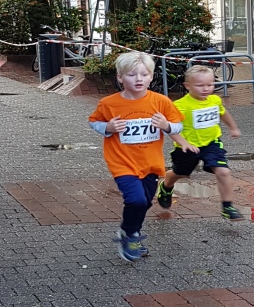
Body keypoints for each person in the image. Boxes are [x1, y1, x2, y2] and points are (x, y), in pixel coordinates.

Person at [88, 51, 195, 262]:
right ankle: (130, 235)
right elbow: (94, 122)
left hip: (151, 164)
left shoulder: (160, 101)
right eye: (131, 75)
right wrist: (108, 127)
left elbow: (178, 124)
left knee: (144, 202)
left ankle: (130, 231)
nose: (138, 79)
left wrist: (166, 126)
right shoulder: (109, 103)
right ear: (120, 77)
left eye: (144, 74)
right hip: (122, 163)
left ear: (151, 76)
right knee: (135, 200)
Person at [157, 65, 244, 221]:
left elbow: (223, 113)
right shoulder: (181, 105)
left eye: (209, 85)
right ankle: (166, 186)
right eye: (200, 85)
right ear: (187, 86)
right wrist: (183, 142)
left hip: (212, 143)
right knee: (180, 173)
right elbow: (171, 128)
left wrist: (233, 127)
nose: (205, 89)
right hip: (187, 146)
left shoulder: (215, 100)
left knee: (223, 171)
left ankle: (228, 206)